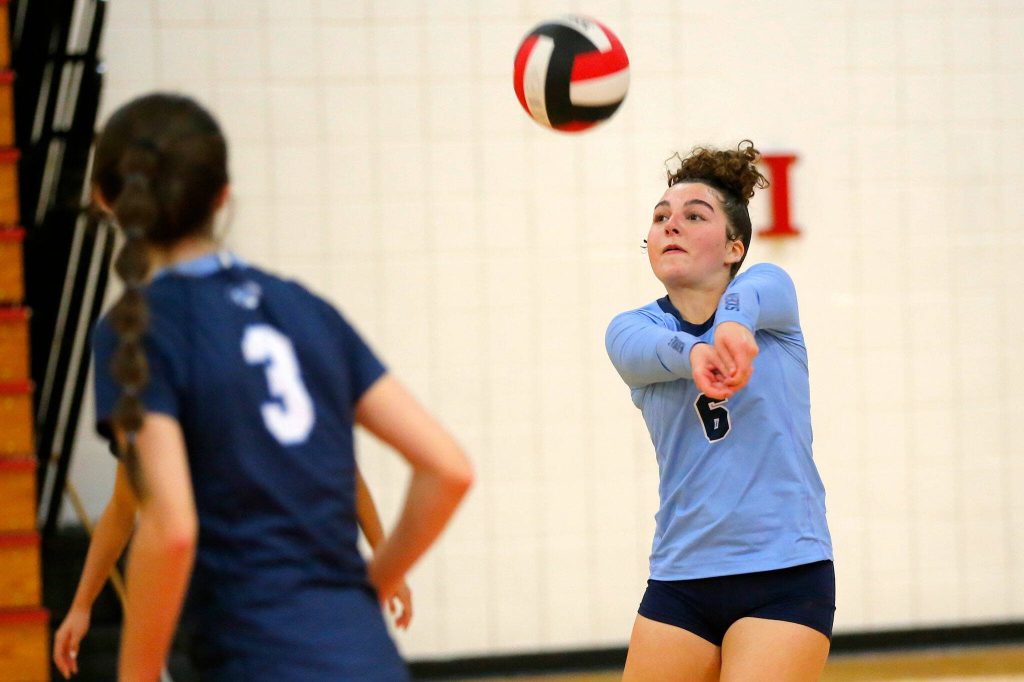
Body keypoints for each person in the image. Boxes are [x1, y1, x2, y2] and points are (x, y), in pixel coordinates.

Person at [84, 92, 472, 681]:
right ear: (222, 196)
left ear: (107, 199)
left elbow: (171, 529)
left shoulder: (135, 329)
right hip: (368, 659)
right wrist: (373, 586)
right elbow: (448, 468)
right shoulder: (306, 308)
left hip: (254, 661)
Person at [605, 141, 834, 681]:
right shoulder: (631, 329)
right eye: (661, 218)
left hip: (785, 570)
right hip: (681, 577)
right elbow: (650, 352)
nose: (671, 226)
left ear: (734, 247)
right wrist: (698, 353)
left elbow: (749, 300)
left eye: (693, 216)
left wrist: (729, 329)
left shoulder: (768, 292)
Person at [51, 463, 414, 679]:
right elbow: (121, 510)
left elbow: (344, 471)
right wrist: (82, 604)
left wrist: (389, 561)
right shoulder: (152, 401)